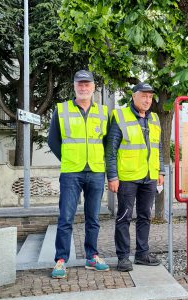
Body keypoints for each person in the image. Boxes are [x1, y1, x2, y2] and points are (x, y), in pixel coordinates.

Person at [48, 70, 110, 278]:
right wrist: (68, 158)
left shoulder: (103, 112)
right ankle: (60, 260)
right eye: (79, 84)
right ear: (74, 86)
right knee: (66, 217)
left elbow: (108, 143)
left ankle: (92, 256)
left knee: (93, 218)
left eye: (87, 84)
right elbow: (53, 141)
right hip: (71, 173)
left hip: (95, 172)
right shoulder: (62, 110)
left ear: (93, 87)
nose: (83, 88)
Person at [106, 82, 165, 272]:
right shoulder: (120, 116)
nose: (147, 100)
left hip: (149, 177)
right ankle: (123, 257)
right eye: (144, 96)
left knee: (145, 216)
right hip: (127, 177)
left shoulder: (155, 118)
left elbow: (158, 147)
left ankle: (142, 254)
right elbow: (111, 150)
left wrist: (160, 171)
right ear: (134, 96)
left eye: (150, 97)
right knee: (124, 217)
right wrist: (113, 176)